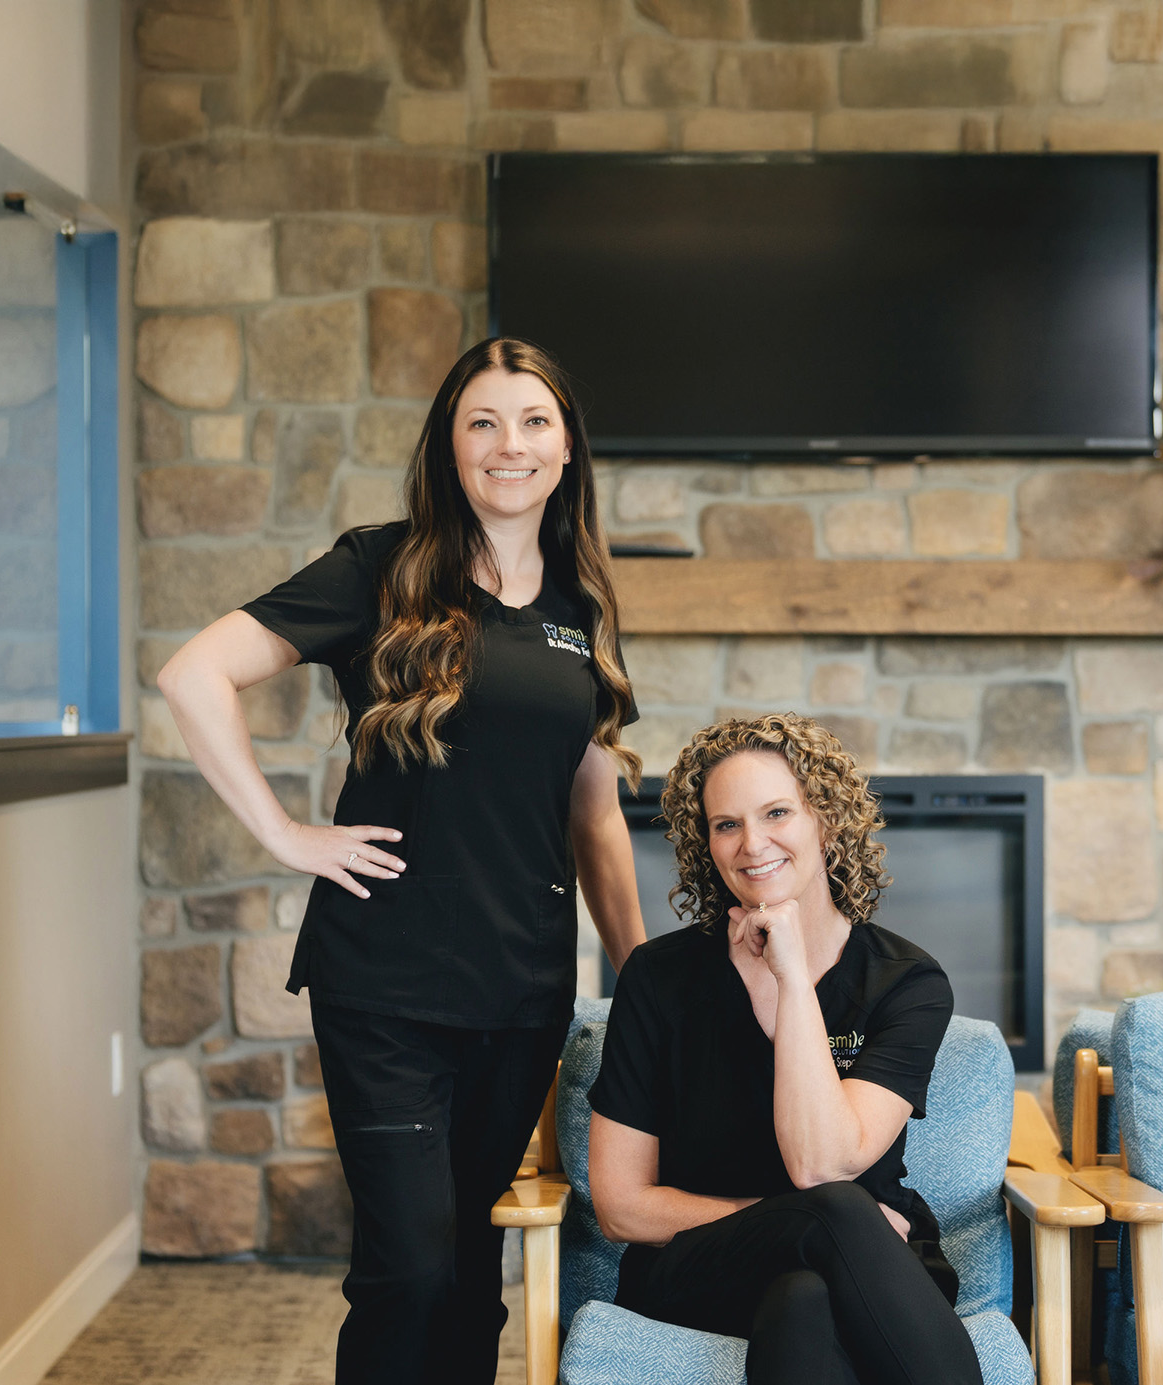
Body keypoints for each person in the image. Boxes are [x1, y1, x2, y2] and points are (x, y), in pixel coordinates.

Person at [158, 337, 646, 1385]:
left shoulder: (580, 609)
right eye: (482, 421)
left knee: (470, 1267)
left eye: (533, 421)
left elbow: (593, 801)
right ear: (449, 445)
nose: (507, 444)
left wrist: (639, 967)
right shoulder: (380, 567)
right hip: (384, 982)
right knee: (409, 1269)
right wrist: (286, 835)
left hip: (521, 990)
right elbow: (194, 673)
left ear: (567, 451)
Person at [587, 714, 983, 1385]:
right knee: (836, 1210)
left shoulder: (905, 982)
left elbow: (821, 1158)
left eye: (777, 812)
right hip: (705, 1266)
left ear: (826, 819)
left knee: (804, 1295)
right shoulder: (658, 978)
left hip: (864, 1272)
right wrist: (797, 1223)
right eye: (726, 823)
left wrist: (792, 980)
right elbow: (621, 1204)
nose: (752, 844)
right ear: (704, 842)